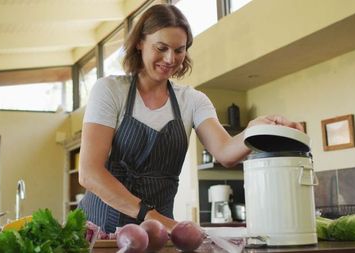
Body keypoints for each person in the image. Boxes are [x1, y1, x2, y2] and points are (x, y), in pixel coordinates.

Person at [77, 4, 303, 233]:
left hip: (161, 233)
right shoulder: (110, 90)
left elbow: (225, 152)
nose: (170, 58)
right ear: (139, 43)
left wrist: (255, 129)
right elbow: (89, 172)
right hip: (103, 230)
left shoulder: (193, 101)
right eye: (161, 47)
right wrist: (150, 215)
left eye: (179, 50)